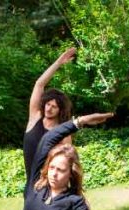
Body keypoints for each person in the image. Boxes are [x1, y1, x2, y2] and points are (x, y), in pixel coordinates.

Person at [24, 47, 76, 178]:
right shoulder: (34, 118)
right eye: (48, 104)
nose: (49, 108)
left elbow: (69, 161)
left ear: (60, 110)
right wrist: (58, 63)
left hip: (52, 186)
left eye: (54, 106)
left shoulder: (63, 132)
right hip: (31, 187)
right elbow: (39, 84)